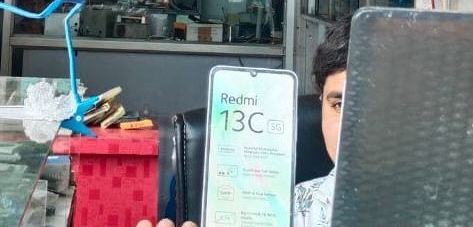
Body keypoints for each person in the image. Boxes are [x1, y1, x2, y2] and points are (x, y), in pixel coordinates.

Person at [137, 16, 350, 227]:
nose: (351, 128)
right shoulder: (291, 213)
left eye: (367, 108)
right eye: (339, 105)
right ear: (322, 105)